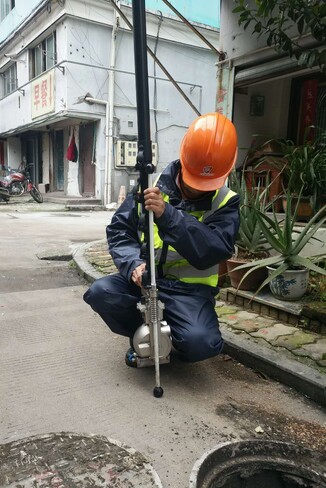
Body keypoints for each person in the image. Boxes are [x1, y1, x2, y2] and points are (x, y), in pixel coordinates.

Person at [84, 112, 240, 367]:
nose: (199, 188)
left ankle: (171, 347)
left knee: (202, 343)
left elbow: (213, 250)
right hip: (147, 282)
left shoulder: (226, 201)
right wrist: (133, 264)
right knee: (102, 293)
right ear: (183, 159)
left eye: (206, 183)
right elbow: (120, 231)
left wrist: (169, 216)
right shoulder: (149, 188)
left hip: (190, 293)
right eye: (195, 181)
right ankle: (142, 339)